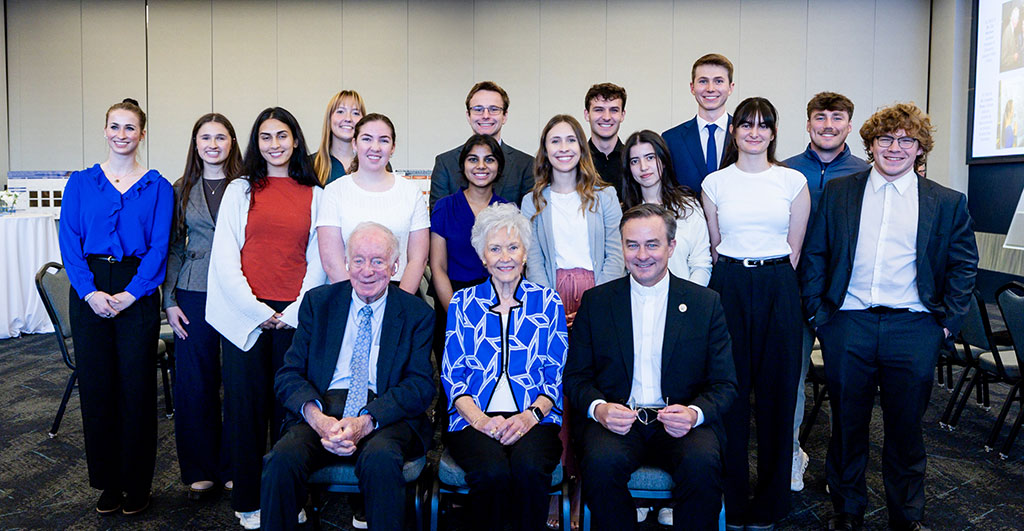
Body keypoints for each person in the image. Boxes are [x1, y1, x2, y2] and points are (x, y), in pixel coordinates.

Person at [800, 103, 978, 531]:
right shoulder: (841, 193)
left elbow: (963, 266)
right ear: (871, 144)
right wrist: (820, 314)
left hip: (915, 327)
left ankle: (907, 516)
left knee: (906, 429)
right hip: (849, 324)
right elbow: (816, 255)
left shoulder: (946, 202)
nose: (895, 148)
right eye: (885, 139)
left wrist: (946, 324)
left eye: (906, 140)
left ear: (920, 149)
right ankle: (847, 509)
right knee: (846, 424)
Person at [564, 203, 737, 531]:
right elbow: (575, 377)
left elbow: (725, 384)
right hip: (618, 421)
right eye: (632, 245)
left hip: (682, 421)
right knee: (600, 464)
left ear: (671, 247)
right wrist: (599, 409)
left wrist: (693, 414)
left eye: (652, 244)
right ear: (623, 247)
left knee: (703, 465)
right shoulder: (597, 302)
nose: (642, 255)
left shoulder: (705, 303)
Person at [261, 222, 435, 531]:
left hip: (385, 412)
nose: (367, 270)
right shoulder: (318, 304)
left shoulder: (416, 313)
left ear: (394, 266)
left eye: (378, 261)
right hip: (323, 406)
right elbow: (289, 374)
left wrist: (366, 419)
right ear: (346, 262)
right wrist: (318, 419)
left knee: (381, 461)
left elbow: (420, 385)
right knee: (281, 460)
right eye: (359, 260)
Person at [206, 107, 326, 529]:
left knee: (291, 414)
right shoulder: (240, 190)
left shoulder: (315, 192)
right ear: (256, 143)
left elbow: (319, 261)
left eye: (282, 135)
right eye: (265, 137)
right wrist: (258, 313)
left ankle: (288, 495)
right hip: (246, 317)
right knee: (245, 411)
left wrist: (289, 313)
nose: (274, 144)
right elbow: (225, 260)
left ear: (296, 140)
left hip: (295, 317)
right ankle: (249, 498)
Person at [58, 98, 173, 516]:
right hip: (90, 288)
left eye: (130, 128)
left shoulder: (158, 186)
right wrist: (89, 293)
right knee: (98, 388)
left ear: (142, 133)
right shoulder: (80, 183)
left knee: (136, 390)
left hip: (136, 291)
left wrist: (132, 293)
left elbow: (160, 246)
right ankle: (107, 482)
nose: (121, 134)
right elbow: (70, 243)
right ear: (104, 131)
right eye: (114, 127)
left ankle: (137, 483)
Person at [701, 96, 811, 530]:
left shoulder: (792, 181)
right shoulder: (715, 183)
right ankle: (732, 500)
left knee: (777, 396)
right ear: (734, 130)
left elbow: (796, 248)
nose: (754, 132)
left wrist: (769, 279)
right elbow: (714, 245)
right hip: (728, 284)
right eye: (746, 124)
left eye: (764, 125)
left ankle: (770, 504)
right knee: (730, 394)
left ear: (773, 132)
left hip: (778, 286)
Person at [441, 203, 568, 531]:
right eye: (495, 249)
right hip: (472, 420)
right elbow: (453, 376)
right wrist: (482, 421)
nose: (505, 257)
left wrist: (528, 417)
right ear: (483, 257)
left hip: (536, 418)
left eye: (513, 247)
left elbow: (555, 375)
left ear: (525, 253)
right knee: (492, 473)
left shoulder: (548, 302)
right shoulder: (463, 302)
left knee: (528, 469)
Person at [781, 92, 870, 492]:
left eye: (837, 118)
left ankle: (841, 469)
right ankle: (792, 456)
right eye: (820, 117)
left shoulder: (868, 173)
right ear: (808, 124)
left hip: (843, 300)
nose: (828, 125)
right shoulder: (784, 171)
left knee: (845, 387)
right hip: (792, 294)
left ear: (849, 125)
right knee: (791, 381)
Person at [162, 113, 243, 500]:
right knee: (196, 382)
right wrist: (169, 301)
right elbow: (174, 248)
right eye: (205, 137)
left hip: (239, 290)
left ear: (232, 143)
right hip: (193, 291)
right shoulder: (181, 189)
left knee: (239, 382)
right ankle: (199, 467)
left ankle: (233, 464)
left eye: (221, 137)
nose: (213, 144)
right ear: (195, 144)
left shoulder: (247, 186)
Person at [520, 114, 625, 324]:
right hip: (551, 295)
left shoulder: (606, 197)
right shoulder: (531, 201)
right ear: (545, 150)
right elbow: (533, 261)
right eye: (555, 141)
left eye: (571, 140)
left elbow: (616, 255)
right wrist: (549, 304)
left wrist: (597, 302)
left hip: (599, 293)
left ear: (581, 147)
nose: (564, 148)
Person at [316, 113, 429, 294]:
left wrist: (399, 303)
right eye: (367, 139)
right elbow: (331, 261)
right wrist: (354, 302)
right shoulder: (334, 191)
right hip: (346, 293)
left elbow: (418, 259)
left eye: (384, 140)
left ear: (393, 147)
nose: (375, 147)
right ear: (354, 144)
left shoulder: (411, 191)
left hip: (399, 293)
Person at [622, 129, 712, 286]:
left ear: (663, 161)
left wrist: (689, 301)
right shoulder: (623, 212)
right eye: (635, 161)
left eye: (650, 158)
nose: (643, 167)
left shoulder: (688, 207)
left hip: (684, 301)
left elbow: (701, 264)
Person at [430, 135, 511, 310]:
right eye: (473, 159)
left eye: (489, 160)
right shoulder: (444, 207)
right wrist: (455, 312)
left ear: (499, 166)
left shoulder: (507, 210)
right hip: (451, 298)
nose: (481, 166)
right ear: (463, 165)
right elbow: (438, 267)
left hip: (497, 301)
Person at [429, 81, 536, 210]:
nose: (486, 116)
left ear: (505, 116)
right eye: (478, 109)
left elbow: (529, 221)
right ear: (468, 116)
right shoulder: (445, 163)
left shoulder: (526, 164)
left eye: (494, 109)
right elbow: (438, 220)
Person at [662, 53, 735, 191]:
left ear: (731, 87)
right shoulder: (671, 139)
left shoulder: (745, 135)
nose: (710, 88)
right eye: (703, 81)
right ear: (692, 87)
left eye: (718, 81)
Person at [584, 82, 627, 199]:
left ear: (622, 115)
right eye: (599, 110)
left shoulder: (633, 160)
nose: (607, 117)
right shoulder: (576, 161)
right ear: (587, 114)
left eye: (614, 110)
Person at [311, 90, 365, 185]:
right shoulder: (309, 166)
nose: (348, 119)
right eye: (340, 111)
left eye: (355, 113)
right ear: (329, 118)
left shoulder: (375, 164)